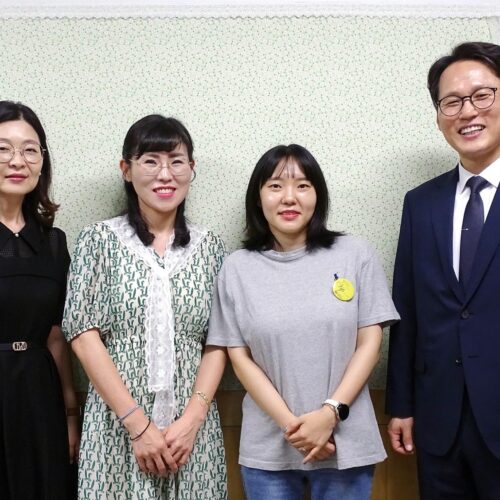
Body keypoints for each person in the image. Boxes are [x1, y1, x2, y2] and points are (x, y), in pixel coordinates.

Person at [207, 144, 399, 499]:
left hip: (346, 442)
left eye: (303, 185)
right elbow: (240, 358)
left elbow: (370, 345)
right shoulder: (237, 268)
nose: (289, 197)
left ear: (317, 195)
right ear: (258, 198)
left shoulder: (355, 253)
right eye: (275, 186)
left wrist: (329, 414)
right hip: (268, 449)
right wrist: (294, 429)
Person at [63, 114, 227, 499]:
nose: (165, 174)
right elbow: (83, 336)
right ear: (127, 169)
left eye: (176, 161)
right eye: (150, 161)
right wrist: (137, 426)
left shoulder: (210, 247)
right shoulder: (98, 240)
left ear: (191, 168)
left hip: (191, 434)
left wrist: (192, 422)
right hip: (116, 427)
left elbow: (221, 341)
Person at [386, 41, 500, 500]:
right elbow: (407, 309)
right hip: (438, 421)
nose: (467, 111)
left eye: (482, 95)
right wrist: (400, 404)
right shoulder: (421, 203)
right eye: (451, 102)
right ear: (438, 116)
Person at [0, 100, 79, 499]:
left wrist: (70, 413)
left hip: (38, 393)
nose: (18, 161)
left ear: (42, 161)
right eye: (3, 149)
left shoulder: (53, 242)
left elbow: (55, 335)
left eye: (30, 150)